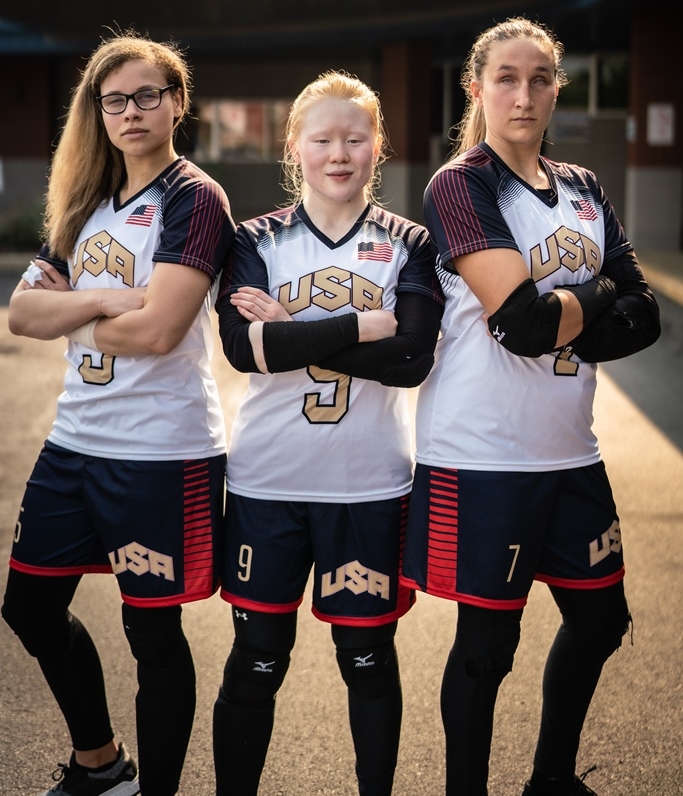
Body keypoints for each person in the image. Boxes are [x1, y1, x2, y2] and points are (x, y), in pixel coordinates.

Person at [400, 16, 661, 796]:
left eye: (539, 77)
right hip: (484, 457)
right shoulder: (461, 183)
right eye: (505, 78)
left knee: (599, 622)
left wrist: (580, 311)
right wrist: (601, 294)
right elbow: (519, 325)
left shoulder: (583, 187)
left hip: (570, 450)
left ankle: (550, 779)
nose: (523, 93)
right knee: (487, 643)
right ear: (475, 88)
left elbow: (645, 315)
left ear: (555, 89)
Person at [1, 31, 235, 796]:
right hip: (74, 443)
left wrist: (65, 311)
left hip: (160, 453)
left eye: (146, 95)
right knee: (31, 607)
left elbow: (161, 330)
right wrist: (101, 299)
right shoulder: (83, 203)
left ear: (176, 103)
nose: (130, 111)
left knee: (151, 630)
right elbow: (22, 316)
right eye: (114, 100)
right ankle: (100, 764)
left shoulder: (194, 199)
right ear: (97, 112)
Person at [212, 70, 444, 796]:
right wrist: (357, 326)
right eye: (322, 139)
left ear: (379, 146)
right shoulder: (253, 240)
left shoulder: (409, 241)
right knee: (257, 659)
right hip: (267, 485)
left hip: (367, 487)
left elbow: (408, 360)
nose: (338, 153)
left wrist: (293, 330)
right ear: (294, 147)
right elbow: (243, 349)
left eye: (355, 137)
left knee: (367, 660)